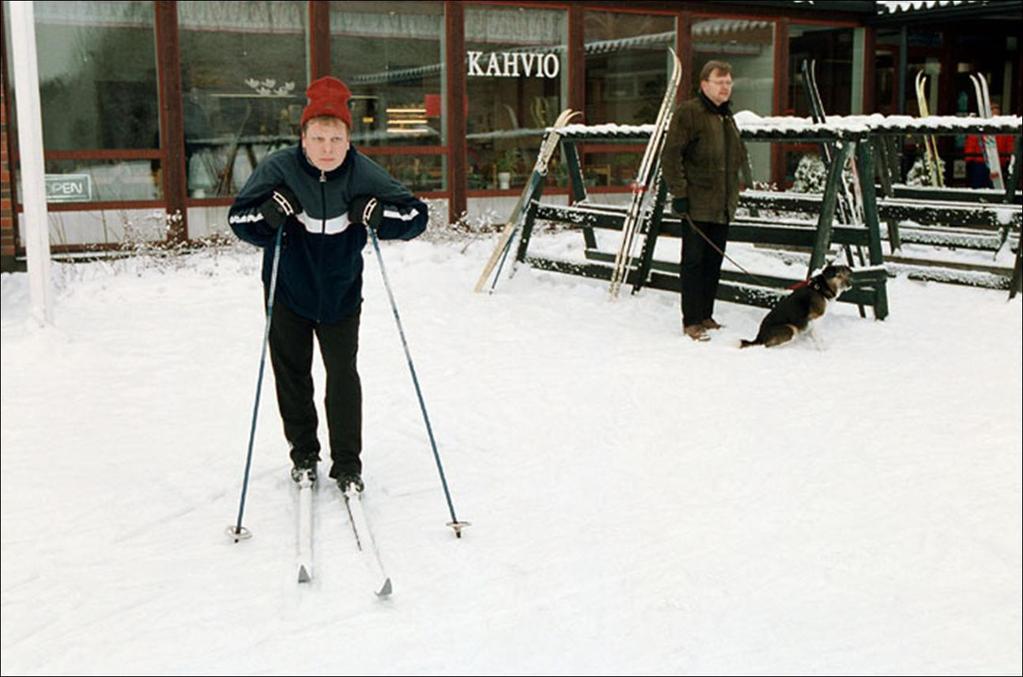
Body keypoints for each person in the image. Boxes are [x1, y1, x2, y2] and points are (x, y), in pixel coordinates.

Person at [229, 76, 428, 494]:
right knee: (293, 375)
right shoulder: (278, 169)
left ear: (348, 138)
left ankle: (347, 464)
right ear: (303, 138)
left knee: (342, 376)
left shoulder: (362, 172)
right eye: (318, 138)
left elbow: (416, 217)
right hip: (287, 294)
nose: (327, 148)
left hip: (340, 295)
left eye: (336, 139)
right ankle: (303, 456)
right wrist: (269, 215)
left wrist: (377, 214)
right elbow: (239, 221)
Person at [662, 60, 747, 342]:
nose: (725, 87)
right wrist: (680, 193)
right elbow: (671, 155)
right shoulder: (689, 113)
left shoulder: (726, 116)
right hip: (696, 201)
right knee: (694, 262)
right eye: (719, 82)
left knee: (713, 261)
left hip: (722, 204)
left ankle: (706, 314)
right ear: (704, 85)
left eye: (728, 82)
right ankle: (691, 320)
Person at [964, 102, 1016, 188]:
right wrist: (969, 159)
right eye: (992, 110)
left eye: (996, 111)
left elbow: (1010, 145)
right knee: (979, 187)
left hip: (998, 163)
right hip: (980, 163)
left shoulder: (1003, 128)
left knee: (995, 188)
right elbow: (971, 143)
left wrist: (1008, 159)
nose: (995, 114)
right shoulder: (980, 126)